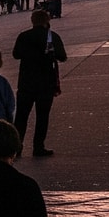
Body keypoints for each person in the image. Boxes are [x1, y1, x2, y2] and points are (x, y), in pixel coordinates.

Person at [11, 9, 67, 158]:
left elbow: (16, 55)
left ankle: (17, 148)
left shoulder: (23, 36)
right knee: (42, 117)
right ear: (47, 20)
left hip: (26, 83)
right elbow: (63, 57)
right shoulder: (52, 37)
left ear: (32, 21)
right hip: (45, 83)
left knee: (21, 117)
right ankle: (38, 147)